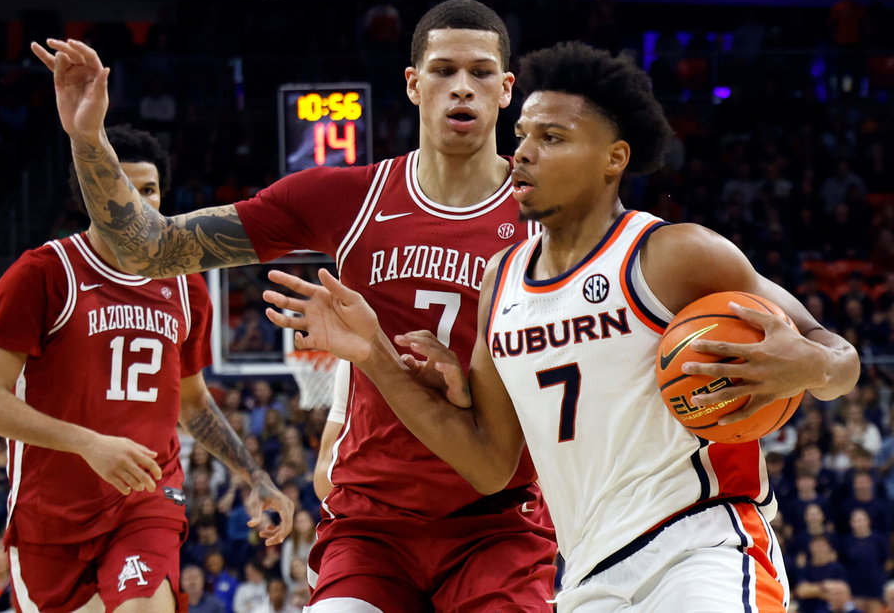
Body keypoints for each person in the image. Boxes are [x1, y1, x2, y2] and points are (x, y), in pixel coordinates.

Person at [261, 41, 861, 612]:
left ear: (614, 159)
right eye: (522, 135)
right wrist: (376, 356)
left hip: (700, 546)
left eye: (552, 138)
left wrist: (812, 366)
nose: (522, 152)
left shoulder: (673, 255)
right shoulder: (501, 281)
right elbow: (489, 463)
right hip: (586, 574)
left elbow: (838, 357)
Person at [32, 0, 558, 612]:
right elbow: (152, 249)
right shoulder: (348, 199)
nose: (461, 88)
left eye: (480, 72)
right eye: (443, 71)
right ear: (414, 85)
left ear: (506, 89)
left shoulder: (548, 217)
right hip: (372, 527)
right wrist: (88, 139)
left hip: (496, 522)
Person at [0, 125, 292, 613]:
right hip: (51, 515)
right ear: (89, 195)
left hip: (146, 500)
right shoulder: (42, 275)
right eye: (120, 188)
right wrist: (89, 444)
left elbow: (195, 402)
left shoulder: (185, 288)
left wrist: (254, 474)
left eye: (149, 190)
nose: (136, 203)